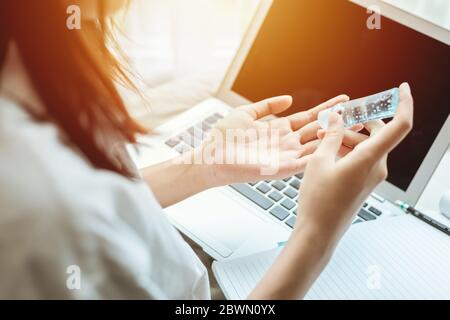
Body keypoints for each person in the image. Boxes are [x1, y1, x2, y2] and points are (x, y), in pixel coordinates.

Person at [0, 0, 413, 299]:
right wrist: (316, 235)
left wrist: (205, 166)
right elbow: (68, 210)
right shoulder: (40, 208)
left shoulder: (25, 67)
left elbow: (91, 199)